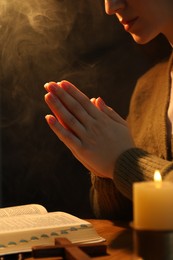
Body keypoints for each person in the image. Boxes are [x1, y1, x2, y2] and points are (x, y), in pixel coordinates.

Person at [44, 0, 173, 220]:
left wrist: (123, 161)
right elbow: (118, 217)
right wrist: (103, 169)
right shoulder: (148, 89)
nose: (110, 7)